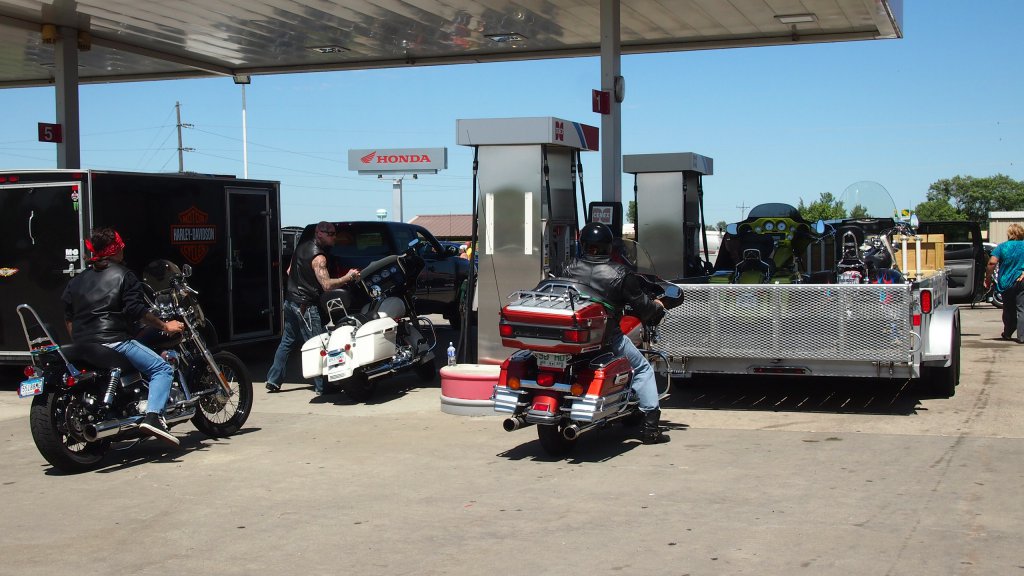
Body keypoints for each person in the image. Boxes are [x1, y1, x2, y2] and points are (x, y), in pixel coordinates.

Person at [62, 227, 185, 446]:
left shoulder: (77, 280)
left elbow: (68, 317)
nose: (124, 250)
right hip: (114, 341)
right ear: (114, 250)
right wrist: (165, 325)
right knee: (162, 369)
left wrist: (80, 339)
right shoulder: (124, 275)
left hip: (84, 344)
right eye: (121, 247)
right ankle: (154, 418)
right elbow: (136, 310)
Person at [565, 222, 670, 444]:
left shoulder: (570, 267)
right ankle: (651, 429)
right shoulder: (620, 273)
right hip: (607, 338)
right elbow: (643, 308)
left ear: (583, 244)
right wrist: (658, 306)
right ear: (609, 246)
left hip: (575, 336)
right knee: (642, 369)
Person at [265, 221, 360, 395]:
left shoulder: (301, 248)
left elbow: (289, 271)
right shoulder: (319, 257)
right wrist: (348, 276)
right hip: (306, 307)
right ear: (319, 233)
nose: (334, 237)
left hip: (291, 302)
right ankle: (322, 386)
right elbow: (327, 285)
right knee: (318, 344)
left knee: (287, 342)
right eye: (330, 234)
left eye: (334, 234)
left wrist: (302, 279)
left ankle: (273, 380)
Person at [986, 223, 1024, 342]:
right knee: (1022, 308)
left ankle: (1008, 332)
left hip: (1006, 282)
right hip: (1022, 280)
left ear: (1009, 234)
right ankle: (1022, 336)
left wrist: (988, 278)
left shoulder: (1002, 247)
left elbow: (992, 262)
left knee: (1008, 309)